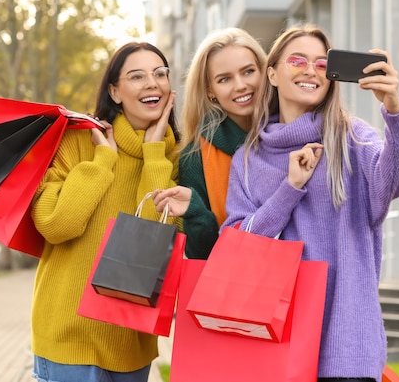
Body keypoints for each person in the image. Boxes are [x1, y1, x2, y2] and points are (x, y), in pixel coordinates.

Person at [221, 23, 399, 382]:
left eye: (320, 64)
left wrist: (393, 109)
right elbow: (238, 243)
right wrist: (290, 188)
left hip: (346, 349)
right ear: (273, 73)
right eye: (297, 60)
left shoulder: (353, 137)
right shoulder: (249, 158)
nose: (310, 70)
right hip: (272, 344)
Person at [29, 41, 181, 382]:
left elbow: (153, 245)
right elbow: (56, 225)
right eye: (137, 76)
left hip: (131, 342)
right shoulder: (78, 141)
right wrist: (103, 162)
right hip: (68, 339)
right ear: (115, 91)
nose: (152, 83)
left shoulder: (175, 158)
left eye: (160, 74)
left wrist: (154, 153)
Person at [151, 27, 267, 259]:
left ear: (265, 72)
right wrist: (196, 213)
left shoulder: (294, 127)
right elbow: (202, 256)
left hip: (313, 277)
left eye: (248, 72)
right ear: (210, 91)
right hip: (246, 283)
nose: (240, 85)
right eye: (224, 79)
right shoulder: (197, 156)